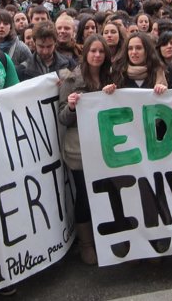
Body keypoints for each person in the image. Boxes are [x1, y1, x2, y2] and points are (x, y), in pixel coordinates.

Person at [59, 35, 112, 265]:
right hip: (80, 149)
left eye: (101, 52)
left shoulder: (112, 77)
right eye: (93, 51)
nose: (97, 55)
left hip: (108, 147)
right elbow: (63, 118)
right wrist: (71, 107)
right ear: (86, 53)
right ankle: (86, 243)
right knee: (84, 196)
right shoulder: (72, 80)